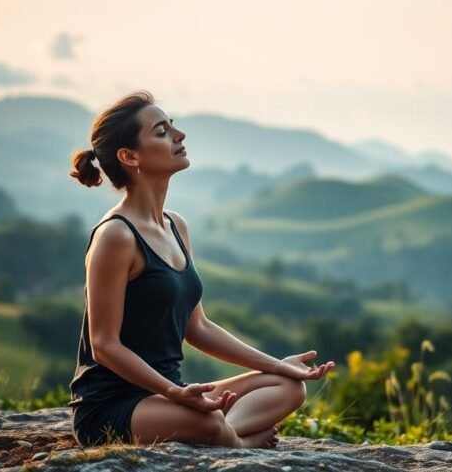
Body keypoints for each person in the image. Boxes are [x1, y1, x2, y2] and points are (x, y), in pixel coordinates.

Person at [67, 90, 335, 448]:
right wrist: (173, 392)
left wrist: (277, 365)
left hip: (170, 399)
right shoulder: (116, 236)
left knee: (289, 388)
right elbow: (104, 345)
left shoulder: (176, 226)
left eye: (172, 127)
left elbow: (199, 327)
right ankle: (239, 444)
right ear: (130, 156)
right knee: (209, 421)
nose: (179, 136)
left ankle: (227, 434)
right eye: (161, 132)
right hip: (111, 408)